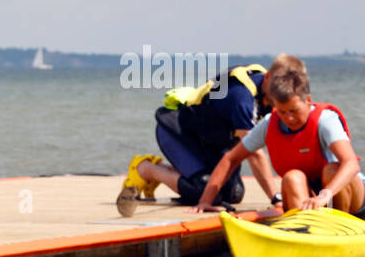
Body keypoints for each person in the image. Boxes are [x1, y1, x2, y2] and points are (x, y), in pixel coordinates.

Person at [195, 54, 365, 218]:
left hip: (353, 200)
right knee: (292, 177)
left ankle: (338, 224)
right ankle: (302, 228)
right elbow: (231, 158)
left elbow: (351, 164)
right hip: (313, 199)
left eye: (294, 111)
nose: (289, 118)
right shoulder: (269, 122)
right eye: (282, 112)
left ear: (308, 100)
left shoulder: (326, 120)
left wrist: (325, 195)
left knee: (331, 169)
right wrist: (205, 201)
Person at [117, 63, 277, 215]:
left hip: (211, 142)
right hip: (179, 131)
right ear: (268, 77)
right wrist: (277, 199)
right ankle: (146, 169)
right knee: (202, 191)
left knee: (233, 194)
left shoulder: (273, 94)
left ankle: (188, 172)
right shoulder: (241, 97)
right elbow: (254, 153)